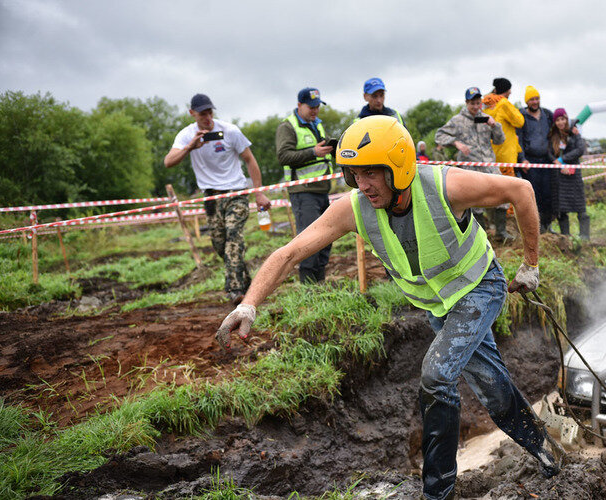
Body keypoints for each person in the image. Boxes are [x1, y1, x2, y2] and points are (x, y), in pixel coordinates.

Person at [215, 116, 560, 500]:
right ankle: (548, 450)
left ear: (398, 167)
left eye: (371, 174)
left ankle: (437, 493)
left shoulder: (447, 186)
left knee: (436, 375)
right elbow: (290, 252)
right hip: (438, 306)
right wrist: (248, 305)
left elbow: (522, 189)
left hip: (479, 289)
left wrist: (530, 265)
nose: (362, 185)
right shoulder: (355, 208)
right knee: (492, 389)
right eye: (353, 175)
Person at [164, 94, 271, 303]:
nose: (207, 117)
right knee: (220, 243)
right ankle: (244, 280)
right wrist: (190, 148)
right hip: (211, 196)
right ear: (192, 113)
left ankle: (234, 290)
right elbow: (168, 162)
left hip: (236, 192)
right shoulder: (186, 135)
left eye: (210, 112)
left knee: (233, 236)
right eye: (202, 113)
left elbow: (250, 159)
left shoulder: (230, 131)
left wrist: (258, 192)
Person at [435, 87, 511, 242]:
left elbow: (500, 140)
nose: (476, 107)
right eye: (472, 104)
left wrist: (494, 126)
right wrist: (455, 142)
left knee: (503, 194)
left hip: (489, 164)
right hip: (470, 167)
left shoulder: (486, 118)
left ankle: (501, 233)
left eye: (478, 103)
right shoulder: (457, 120)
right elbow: (439, 136)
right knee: (474, 201)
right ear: (466, 103)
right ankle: (481, 236)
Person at [275, 87, 334, 283]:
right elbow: (283, 156)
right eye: (311, 107)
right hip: (303, 192)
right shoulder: (287, 127)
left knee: (325, 239)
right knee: (309, 241)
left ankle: (320, 284)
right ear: (299, 105)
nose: (315, 110)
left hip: (322, 189)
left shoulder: (317, 124)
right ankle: (309, 288)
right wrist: (313, 152)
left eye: (317, 107)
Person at [517, 85, 555, 231]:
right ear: (527, 102)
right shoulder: (522, 117)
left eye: (537, 98)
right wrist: (522, 159)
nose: (535, 102)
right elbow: (518, 139)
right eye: (531, 99)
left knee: (548, 193)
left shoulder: (547, 115)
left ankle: (548, 225)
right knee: (534, 194)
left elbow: (559, 128)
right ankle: (536, 226)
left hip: (546, 160)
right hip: (530, 161)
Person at [549, 110, 589, 239]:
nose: (561, 122)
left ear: (566, 119)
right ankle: (565, 237)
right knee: (562, 209)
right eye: (558, 120)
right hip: (559, 176)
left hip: (574, 175)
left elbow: (580, 149)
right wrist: (557, 162)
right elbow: (549, 152)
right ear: (555, 122)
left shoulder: (574, 133)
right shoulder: (553, 135)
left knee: (580, 207)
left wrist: (563, 159)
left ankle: (584, 237)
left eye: (562, 119)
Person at [482, 77, 525, 176]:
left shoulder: (487, 105)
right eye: (509, 89)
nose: (510, 92)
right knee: (508, 187)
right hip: (506, 155)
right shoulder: (504, 104)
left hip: (492, 153)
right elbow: (520, 122)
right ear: (506, 91)